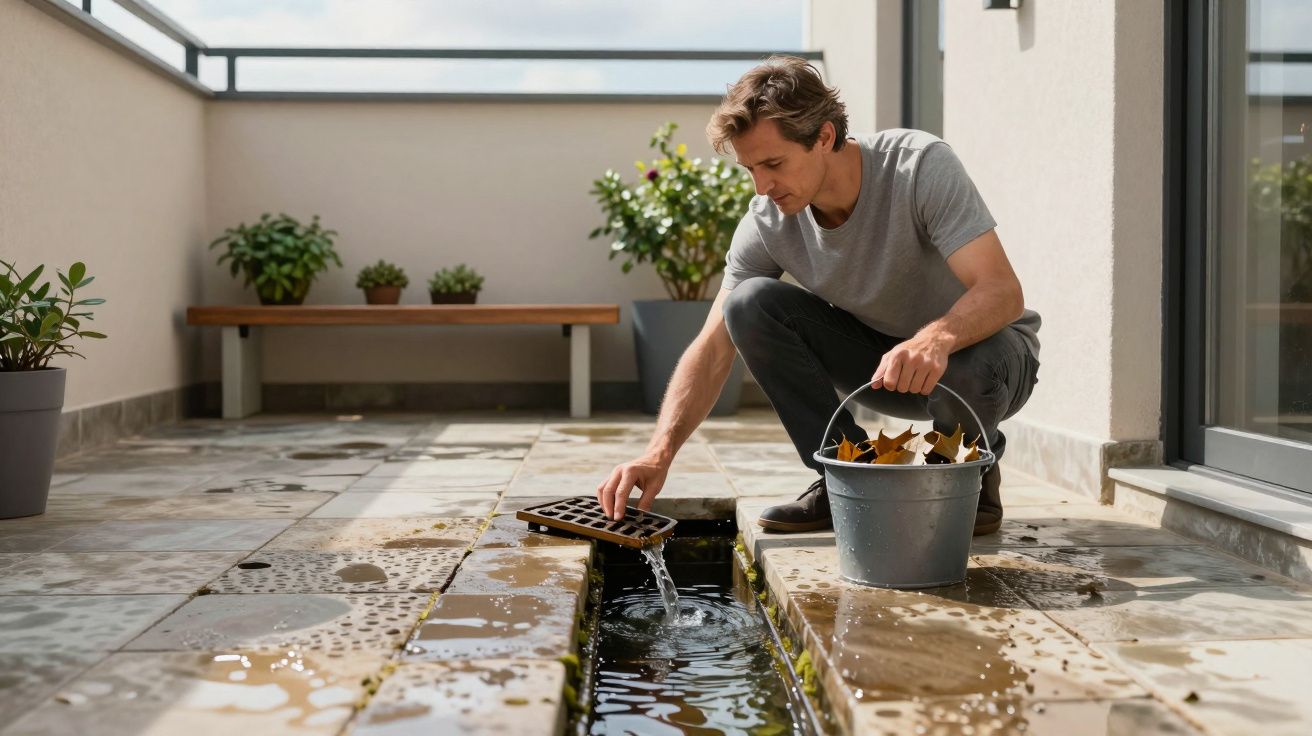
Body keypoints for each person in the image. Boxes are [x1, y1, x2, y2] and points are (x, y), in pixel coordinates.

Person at [596, 56, 1040, 535]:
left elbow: (1002, 291)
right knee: (748, 303)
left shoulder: (917, 166)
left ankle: (972, 474)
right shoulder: (768, 221)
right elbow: (712, 345)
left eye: (773, 163)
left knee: (967, 366)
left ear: (824, 137)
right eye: (750, 169)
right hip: (882, 368)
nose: (762, 186)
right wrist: (658, 452)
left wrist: (936, 339)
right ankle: (840, 472)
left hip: (986, 363)